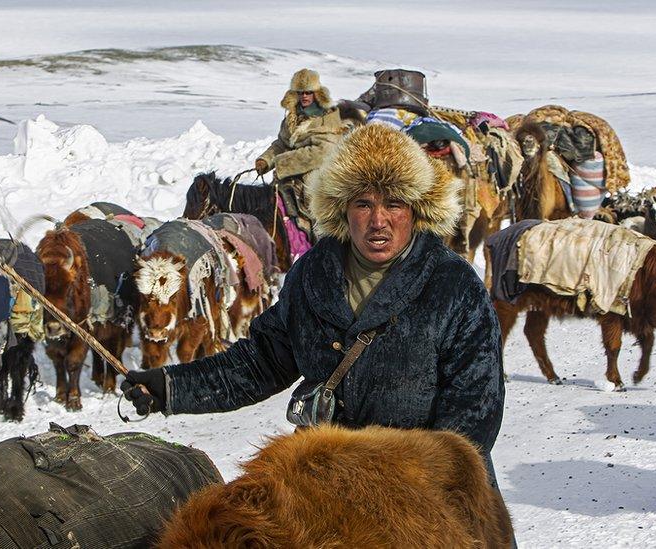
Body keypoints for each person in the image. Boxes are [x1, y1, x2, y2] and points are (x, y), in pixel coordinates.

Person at [123, 123, 506, 485]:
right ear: (341, 208)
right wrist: (170, 387)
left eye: (394, 203)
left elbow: (474, 408)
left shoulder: (453, 285)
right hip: (328, 483)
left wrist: (417, 483)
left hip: (427, 489)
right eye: (363, 204)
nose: (378, 221)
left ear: (416, 210)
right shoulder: (314, 273)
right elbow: (262, 361)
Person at [254, 68, 344, 240]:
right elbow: (282, 144)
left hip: (318, 173)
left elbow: (323, 152)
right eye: (300, 92)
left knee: (316, 208)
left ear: (316, 93)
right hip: (289, 173)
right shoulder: (292, 118)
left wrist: (284, 162)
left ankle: (320, 241)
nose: (304, 96)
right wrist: (265, 160)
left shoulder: (328, 118)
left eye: (309, 92)